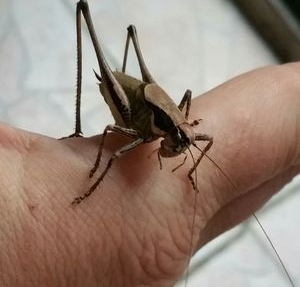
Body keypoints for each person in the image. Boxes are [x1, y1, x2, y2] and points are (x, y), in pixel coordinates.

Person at [0, 63, 299, 286]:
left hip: (160, 107)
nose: (181, 148)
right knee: (116, 150)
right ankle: (77, 128)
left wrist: (191, 168)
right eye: (180, 139)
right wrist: (93, 174)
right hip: (127, 102)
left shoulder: (184, 130)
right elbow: (111, 137)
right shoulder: (143, 135)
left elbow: (206, 135)